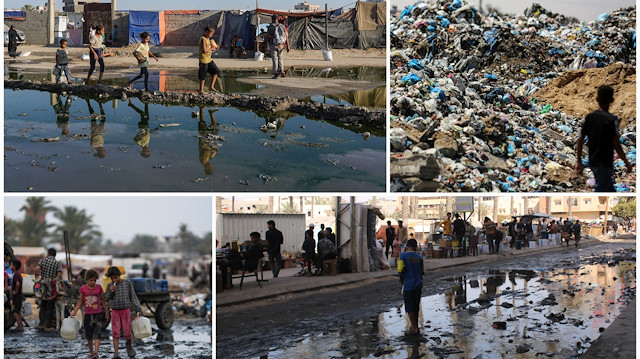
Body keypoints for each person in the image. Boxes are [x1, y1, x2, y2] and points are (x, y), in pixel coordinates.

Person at [575, 85, 632, 191]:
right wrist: (626, 162)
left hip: (593, 161)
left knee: (609, 189)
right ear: (612, 100)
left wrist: (579, 161)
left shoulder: (590, 117)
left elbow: (580, 140)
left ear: (597, 99)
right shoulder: (612, 120)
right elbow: (617, 145)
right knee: (602, 189)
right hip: (605, 163)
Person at [104, 266, 142, 359]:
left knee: (127, 331)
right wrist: (111, 291)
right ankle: (116, 353)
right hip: (115, 311)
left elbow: (133, 296)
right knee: (115, 332)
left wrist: (138, 308)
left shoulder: (127, 283)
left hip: (125, 310)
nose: (114, 280)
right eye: (112, 278)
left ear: (119, 276)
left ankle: (129, 346)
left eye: (115, 277)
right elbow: (106, 298)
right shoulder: (110, 285)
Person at [70, 269, 109, 359]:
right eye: (91, 280)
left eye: (95, 280)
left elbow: (102, 300)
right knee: (88, 335)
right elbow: (80, 301)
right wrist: (74, 311)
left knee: (97, 333)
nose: (93, 282)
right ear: (87, 279)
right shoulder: (83, 288)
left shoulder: (99, 288)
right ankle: (91, 352)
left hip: (98, 314)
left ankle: (96, 353)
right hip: (87, 314)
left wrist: (106, 311)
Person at [398, 239, 423, 336]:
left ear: (406, 247)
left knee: (409, 307)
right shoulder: (419, 257)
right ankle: (415, 326)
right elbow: (422, 271)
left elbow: (400, 270)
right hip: (418, 285)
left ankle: (414, 328)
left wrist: (401, 281)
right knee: (416, 306)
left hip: (408, 285)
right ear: (416, 247)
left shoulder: (403, 256)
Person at [35, 248, 61, 331]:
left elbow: (37, 269)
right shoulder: (57, 263)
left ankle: (41, 324)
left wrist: (37, 278)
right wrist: (55, 280)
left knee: (43, 304)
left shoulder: (43, 260)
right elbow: (59, 275)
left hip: (43, 285)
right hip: (51, 285)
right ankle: (48, 326)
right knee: (50, 305)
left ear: (48, 253)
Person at [198, 26, 220, 93]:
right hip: (203, 60)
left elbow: (210, 47)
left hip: (209, 59)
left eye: (212, 34)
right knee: (203, 75)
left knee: (216, 71)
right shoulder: (203, 39)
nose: (211, 35)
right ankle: (201, 90)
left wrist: (216, 47)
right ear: (206, 32)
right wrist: (212, 49)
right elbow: (205, 50)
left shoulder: (208, 39)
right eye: (210, 34)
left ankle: (211, 86)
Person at [266, 14, 289, 79]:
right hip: (281, 45)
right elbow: (286, 36)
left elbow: (267, 36)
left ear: (272, 19)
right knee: (280, 58)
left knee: (275, 58)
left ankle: (276, 73)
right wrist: (288, 46)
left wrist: (266, 44)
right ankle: (281, 70)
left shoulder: (271, 26)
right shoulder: (282, 26)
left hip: (273, 44)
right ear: (278, 19)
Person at [10, 260, 24, 331]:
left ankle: (20, 326)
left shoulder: (16, 275)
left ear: (14, 267)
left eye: (11, 265)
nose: (10, 266)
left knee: (14, 311)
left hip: (17, 295)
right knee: (18, 310)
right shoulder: (18, 274)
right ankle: (21, 326)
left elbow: (17, 284)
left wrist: (15, 291)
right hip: (20, 295)